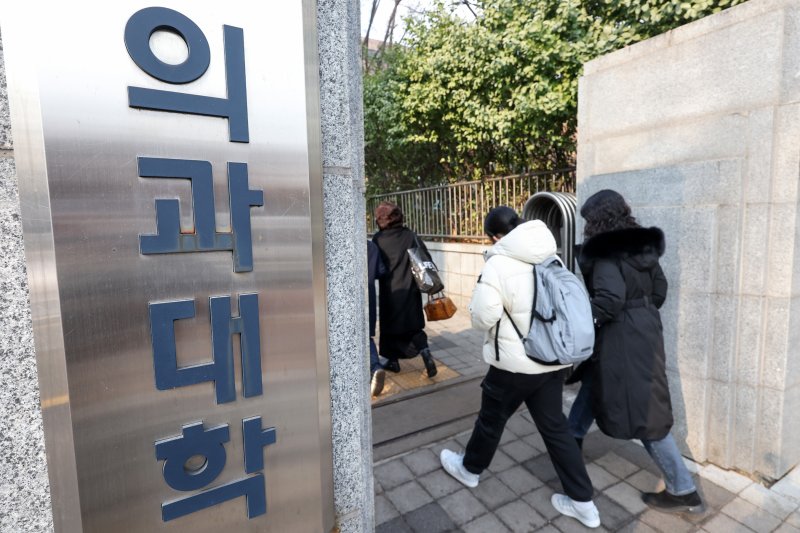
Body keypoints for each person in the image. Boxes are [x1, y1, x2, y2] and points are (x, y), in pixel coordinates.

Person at [439, 206, 601, 529]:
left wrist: (475, 307)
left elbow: (483, 317)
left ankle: (469, 470)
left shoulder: (498, 263)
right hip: (550, 362)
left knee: (491, 421)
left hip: (513, 366)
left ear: (494, 237)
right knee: (555, 429)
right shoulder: (550, 256)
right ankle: (584, 504)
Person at [566, 189, 705, 514]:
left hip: (621, 335)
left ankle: (684, 490)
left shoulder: (605, 251)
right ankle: (569, 441)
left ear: (598, 220)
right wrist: (640, 312)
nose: (585, 227)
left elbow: (609, 300)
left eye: (588, 220)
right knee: (595, 380)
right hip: (645, 330)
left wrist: (585, 321)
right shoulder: (641, 246)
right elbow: (660, 290)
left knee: (645, 413)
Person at [372, 201, 437, 377]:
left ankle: (393, 361)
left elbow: (377, 268)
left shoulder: (378, 239)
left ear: (381, 220)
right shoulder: (409, 235)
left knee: (389, 328)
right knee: (413, 326)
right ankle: (424, 351)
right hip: (410, 289)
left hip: (390, 292)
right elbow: (425, 258)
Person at [367, 240, 387, 396]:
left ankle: (374, 367)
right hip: (368, 296)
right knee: (366, 336)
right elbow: (381, 271)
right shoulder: (371, 246)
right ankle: (375, 367)